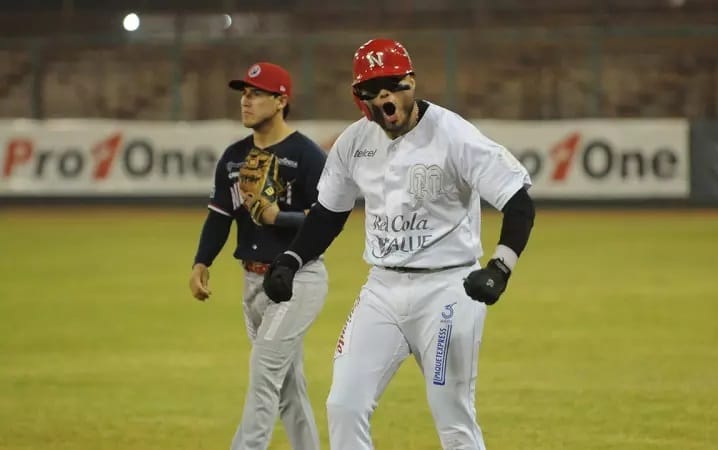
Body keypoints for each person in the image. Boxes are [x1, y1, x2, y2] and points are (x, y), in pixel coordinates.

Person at [262, 39, 536, 450]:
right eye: (371, 90)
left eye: (392, 84)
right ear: (360, 98)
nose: (384, 96)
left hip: (449, 289)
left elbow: (518, 202)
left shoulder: (453, 134)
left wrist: (500, 267)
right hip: (382, 290)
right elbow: (328, 214)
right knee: (344, 405)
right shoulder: (355, 142)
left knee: (453, 416)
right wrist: (291, 258)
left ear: (411, 81)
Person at [188, 61, 328, 450]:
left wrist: (276, 216)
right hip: (252, 281)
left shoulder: (307, 156)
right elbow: (219, 216)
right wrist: (202, 261)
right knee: (287, 386)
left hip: (297, 280)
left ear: (281, 100)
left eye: (256, 94)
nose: (245, 101)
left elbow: (327, 221)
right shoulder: (234, 158)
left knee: (264, 372)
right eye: (244, 94)